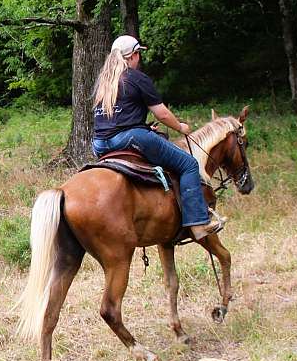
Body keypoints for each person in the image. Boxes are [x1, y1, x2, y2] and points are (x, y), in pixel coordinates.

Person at [91, 35, 225, 241]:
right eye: (138, 54)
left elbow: (117, 117)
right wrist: (181, 127)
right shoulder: (136, 78)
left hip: (100, 144)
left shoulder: (104, 81)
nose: (139, 58)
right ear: (134, 55)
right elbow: (161, 114)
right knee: (188, 164)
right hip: (130, 139)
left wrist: (144, 127)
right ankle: (198, 223)